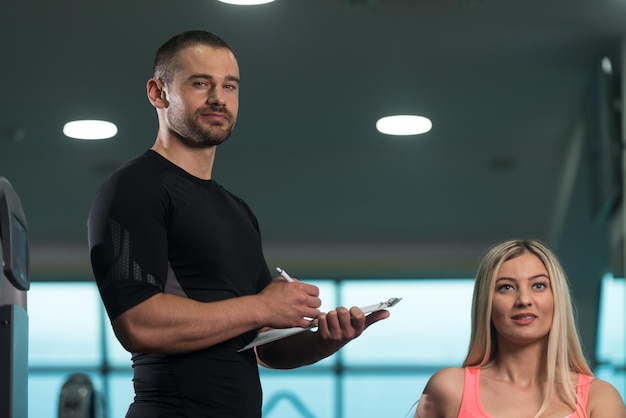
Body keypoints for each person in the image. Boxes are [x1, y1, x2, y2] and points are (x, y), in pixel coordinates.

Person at [87, 30, 389, 418]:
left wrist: (325, 341)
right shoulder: (132, 188)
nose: (219, 98)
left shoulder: (236, 209)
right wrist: (260, 307)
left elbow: (264, 347)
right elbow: (138, 324)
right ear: (158, 93)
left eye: (229, 85)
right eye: (200, 83)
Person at [414, 239, 625, 418]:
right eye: (506, 287)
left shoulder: (601, 399)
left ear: (556, 298)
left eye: (538, 285)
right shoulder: (447, 388)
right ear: (486, 303)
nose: (524, 299)